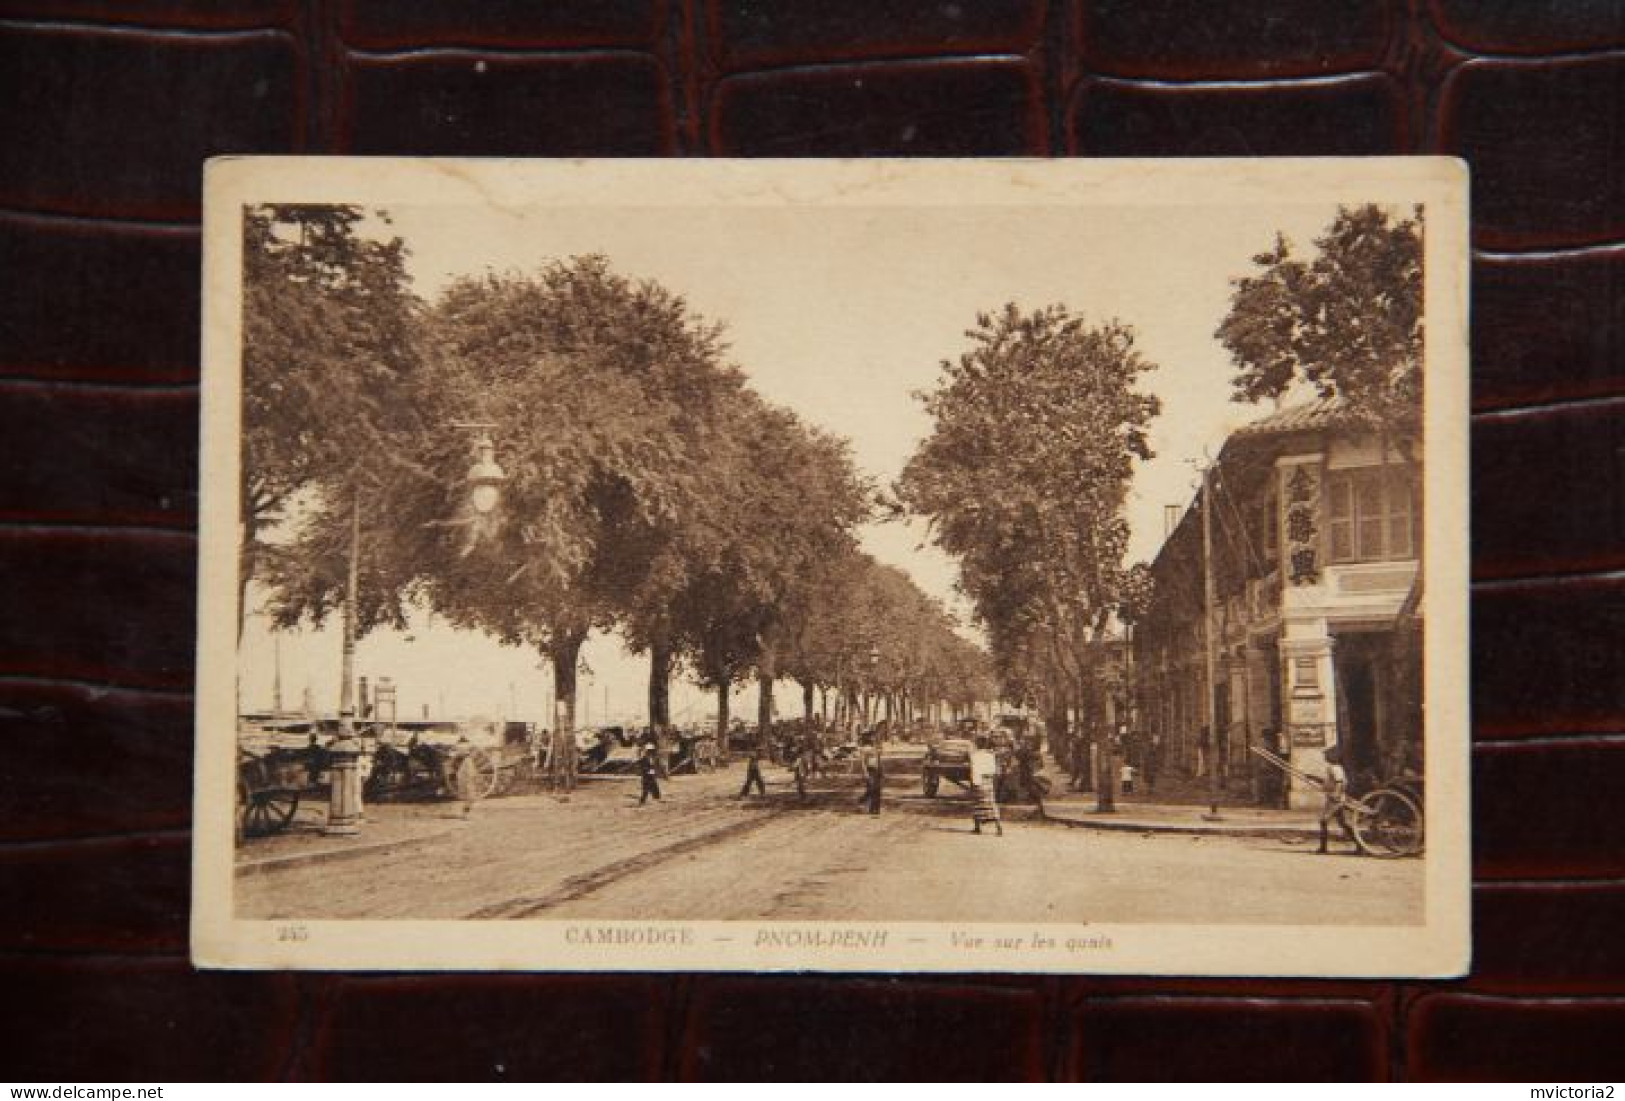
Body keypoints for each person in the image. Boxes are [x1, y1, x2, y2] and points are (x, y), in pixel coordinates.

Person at [1317, 744, 1356, 854]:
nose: (1325, 756)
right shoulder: (1334, 768)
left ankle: (1323, 848)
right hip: (1336, 798)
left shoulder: (1335, 768)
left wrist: (1336, 794)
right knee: (1343, 823)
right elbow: (1331, 782)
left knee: (1323, 821)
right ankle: (1359, 845)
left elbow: (1340, 782)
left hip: (1335, 800)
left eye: (1327, 754)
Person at [969, 734, 1003, 836]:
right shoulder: (990, 755)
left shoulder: (974, 756)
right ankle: (998, 827)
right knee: (991, 804)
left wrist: (974, 781)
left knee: (977, 804)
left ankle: (977, 827)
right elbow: (994, 770)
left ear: (978, 744)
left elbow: (974, 769)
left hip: (978, 780)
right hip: (988, 781)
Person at [858, 733, 883, 815]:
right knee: (871, 789)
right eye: (871, 738)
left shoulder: (876, 748)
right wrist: (865, 772)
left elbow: (879, 760)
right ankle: (863, 800)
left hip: (877, 770)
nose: (873, 739)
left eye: (874, 738)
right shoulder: (864, 749)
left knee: (877, 789)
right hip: (870, 770)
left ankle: (876, 809)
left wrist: (881, 771)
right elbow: (862, 762)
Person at [637, 740, 662, 805]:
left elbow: (656, 766)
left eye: (651, 751)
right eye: (649, 751)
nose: (650, 752)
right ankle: (642, 801)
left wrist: (655, 771)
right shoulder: (643, 759)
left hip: (651, 775)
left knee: (654, 786)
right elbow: (642, 767)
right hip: (646, 776)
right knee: (646, 789)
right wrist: (649, 771)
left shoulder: (653, 758)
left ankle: (657, 797)